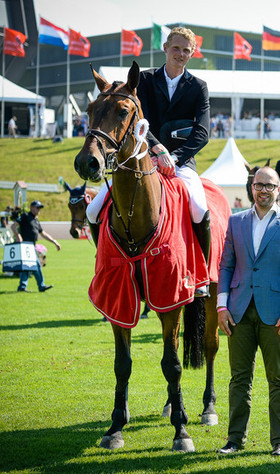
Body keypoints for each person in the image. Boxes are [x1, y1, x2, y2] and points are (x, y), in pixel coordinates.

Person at [86, 27, 212, 297]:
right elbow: (136, 118)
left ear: (192, 54)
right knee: (92, 211)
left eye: (186, 50)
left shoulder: (198, 87)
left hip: (181, 162)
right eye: (176, 48)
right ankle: (107, 267)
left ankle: (200, 275)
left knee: (200, 208)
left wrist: (175, 156)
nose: (180, 54)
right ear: (165, 48)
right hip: (139, 157)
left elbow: (203, 132)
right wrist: (156, 147)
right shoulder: (141, 80)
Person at [216, 166, 280, 458]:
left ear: (278, 189)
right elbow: (226, 265)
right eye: (259, 185)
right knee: (239, 378)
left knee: (278, 378)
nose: (264, 190)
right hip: (239, 311)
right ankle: (234, 439)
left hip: (277, 313)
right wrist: (221, 305)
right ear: (251, 188)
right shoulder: (236, 221)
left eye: (270, 185)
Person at [11, 200, 60, 292]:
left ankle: (23, 286)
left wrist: (54, 242)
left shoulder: (36, 220)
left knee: (28, 266)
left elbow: (43, 233)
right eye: (37, 208)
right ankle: (40, 286)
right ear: (31, 208)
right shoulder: (25, 216)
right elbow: (13, 226)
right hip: (25, 246)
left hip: (31, 246)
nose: (39, 210)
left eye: (40, 208)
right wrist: (18, 236)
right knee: (35, 265)